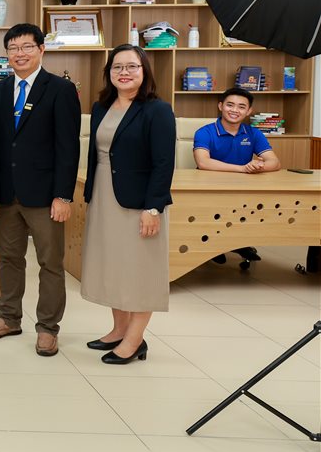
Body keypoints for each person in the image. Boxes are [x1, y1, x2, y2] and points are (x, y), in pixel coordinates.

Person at [0, 23, 81, 357]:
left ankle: (48, 328)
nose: (19, 54)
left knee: (50, 263)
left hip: (45, 195)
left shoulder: (61, 90)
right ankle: (9, 318)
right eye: (13, 48)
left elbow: (68, 148)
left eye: (26, 47)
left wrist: (63, 196)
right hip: (6, 195)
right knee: (9, 259)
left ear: (41, 49)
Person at [81, 44, 176, 364]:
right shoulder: (101, 107)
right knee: (114, 266)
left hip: (139, 202)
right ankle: (119, 329)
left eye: (132, 66)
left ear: (144, 71)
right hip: (104, 196)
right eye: (117, 67)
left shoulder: (157, 110)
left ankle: (135, 340)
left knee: (140, 270)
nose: (124, 72)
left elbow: (164, 163)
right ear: (109, 73)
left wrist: (153, 208)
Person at [193, 86, 281, 265]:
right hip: (209, 189)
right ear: (220, 106)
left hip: (242, 189)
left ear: (249, 111)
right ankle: (213, 245)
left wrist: (258, 166)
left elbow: (275, 162)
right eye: (230, 105)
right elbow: (203, 162)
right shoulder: (205, 132)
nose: (235, 110)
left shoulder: (253, 133)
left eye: (241, 107)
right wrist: (242, 169)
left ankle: (237, 243)